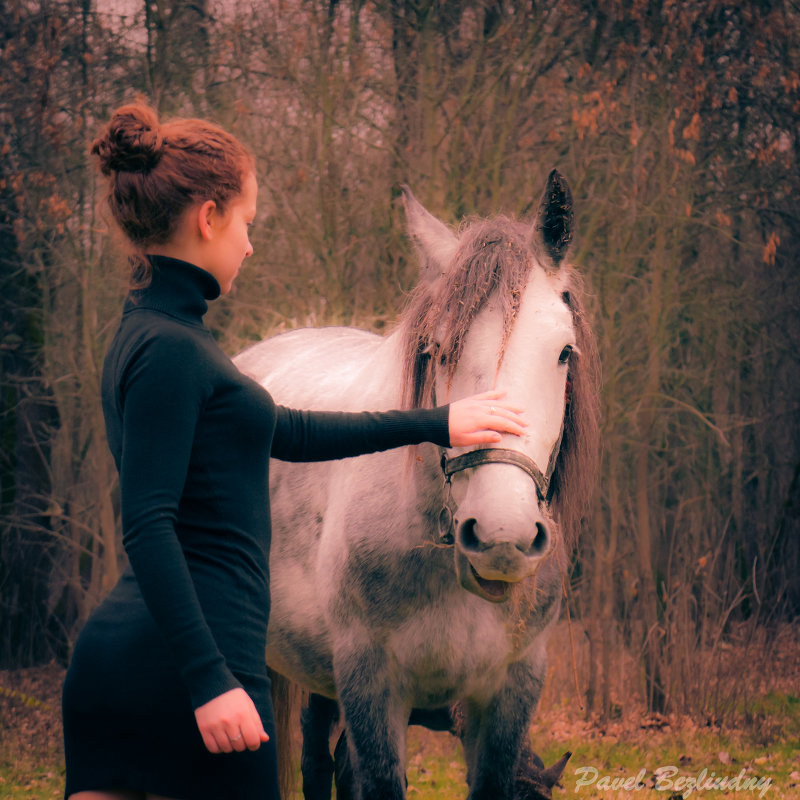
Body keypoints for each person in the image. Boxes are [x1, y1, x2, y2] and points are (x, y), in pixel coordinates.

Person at [61, 102, 527, 800]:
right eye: (247, 224)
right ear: (209, 217)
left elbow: (293, 433)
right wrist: (210, 681)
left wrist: (438, 421)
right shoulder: (171, 353)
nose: (249, 245)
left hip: (141, 665)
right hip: (194, 671)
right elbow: (148, 523)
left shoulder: (156, 335)